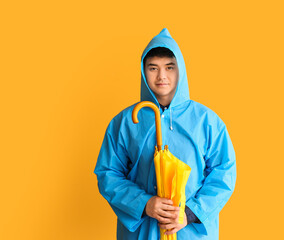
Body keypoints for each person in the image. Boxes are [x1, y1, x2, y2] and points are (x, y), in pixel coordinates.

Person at [94, 28, 236, 239]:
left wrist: (190, 213)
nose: (162, 76)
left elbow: (224, 172)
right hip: (141, 232)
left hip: (190, 234)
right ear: (143, 72)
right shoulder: (124, 123)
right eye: (153, 68)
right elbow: (108, 174)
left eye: (169, 67)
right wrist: (144, 203)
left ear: (181, 71)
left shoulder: (206, 121)